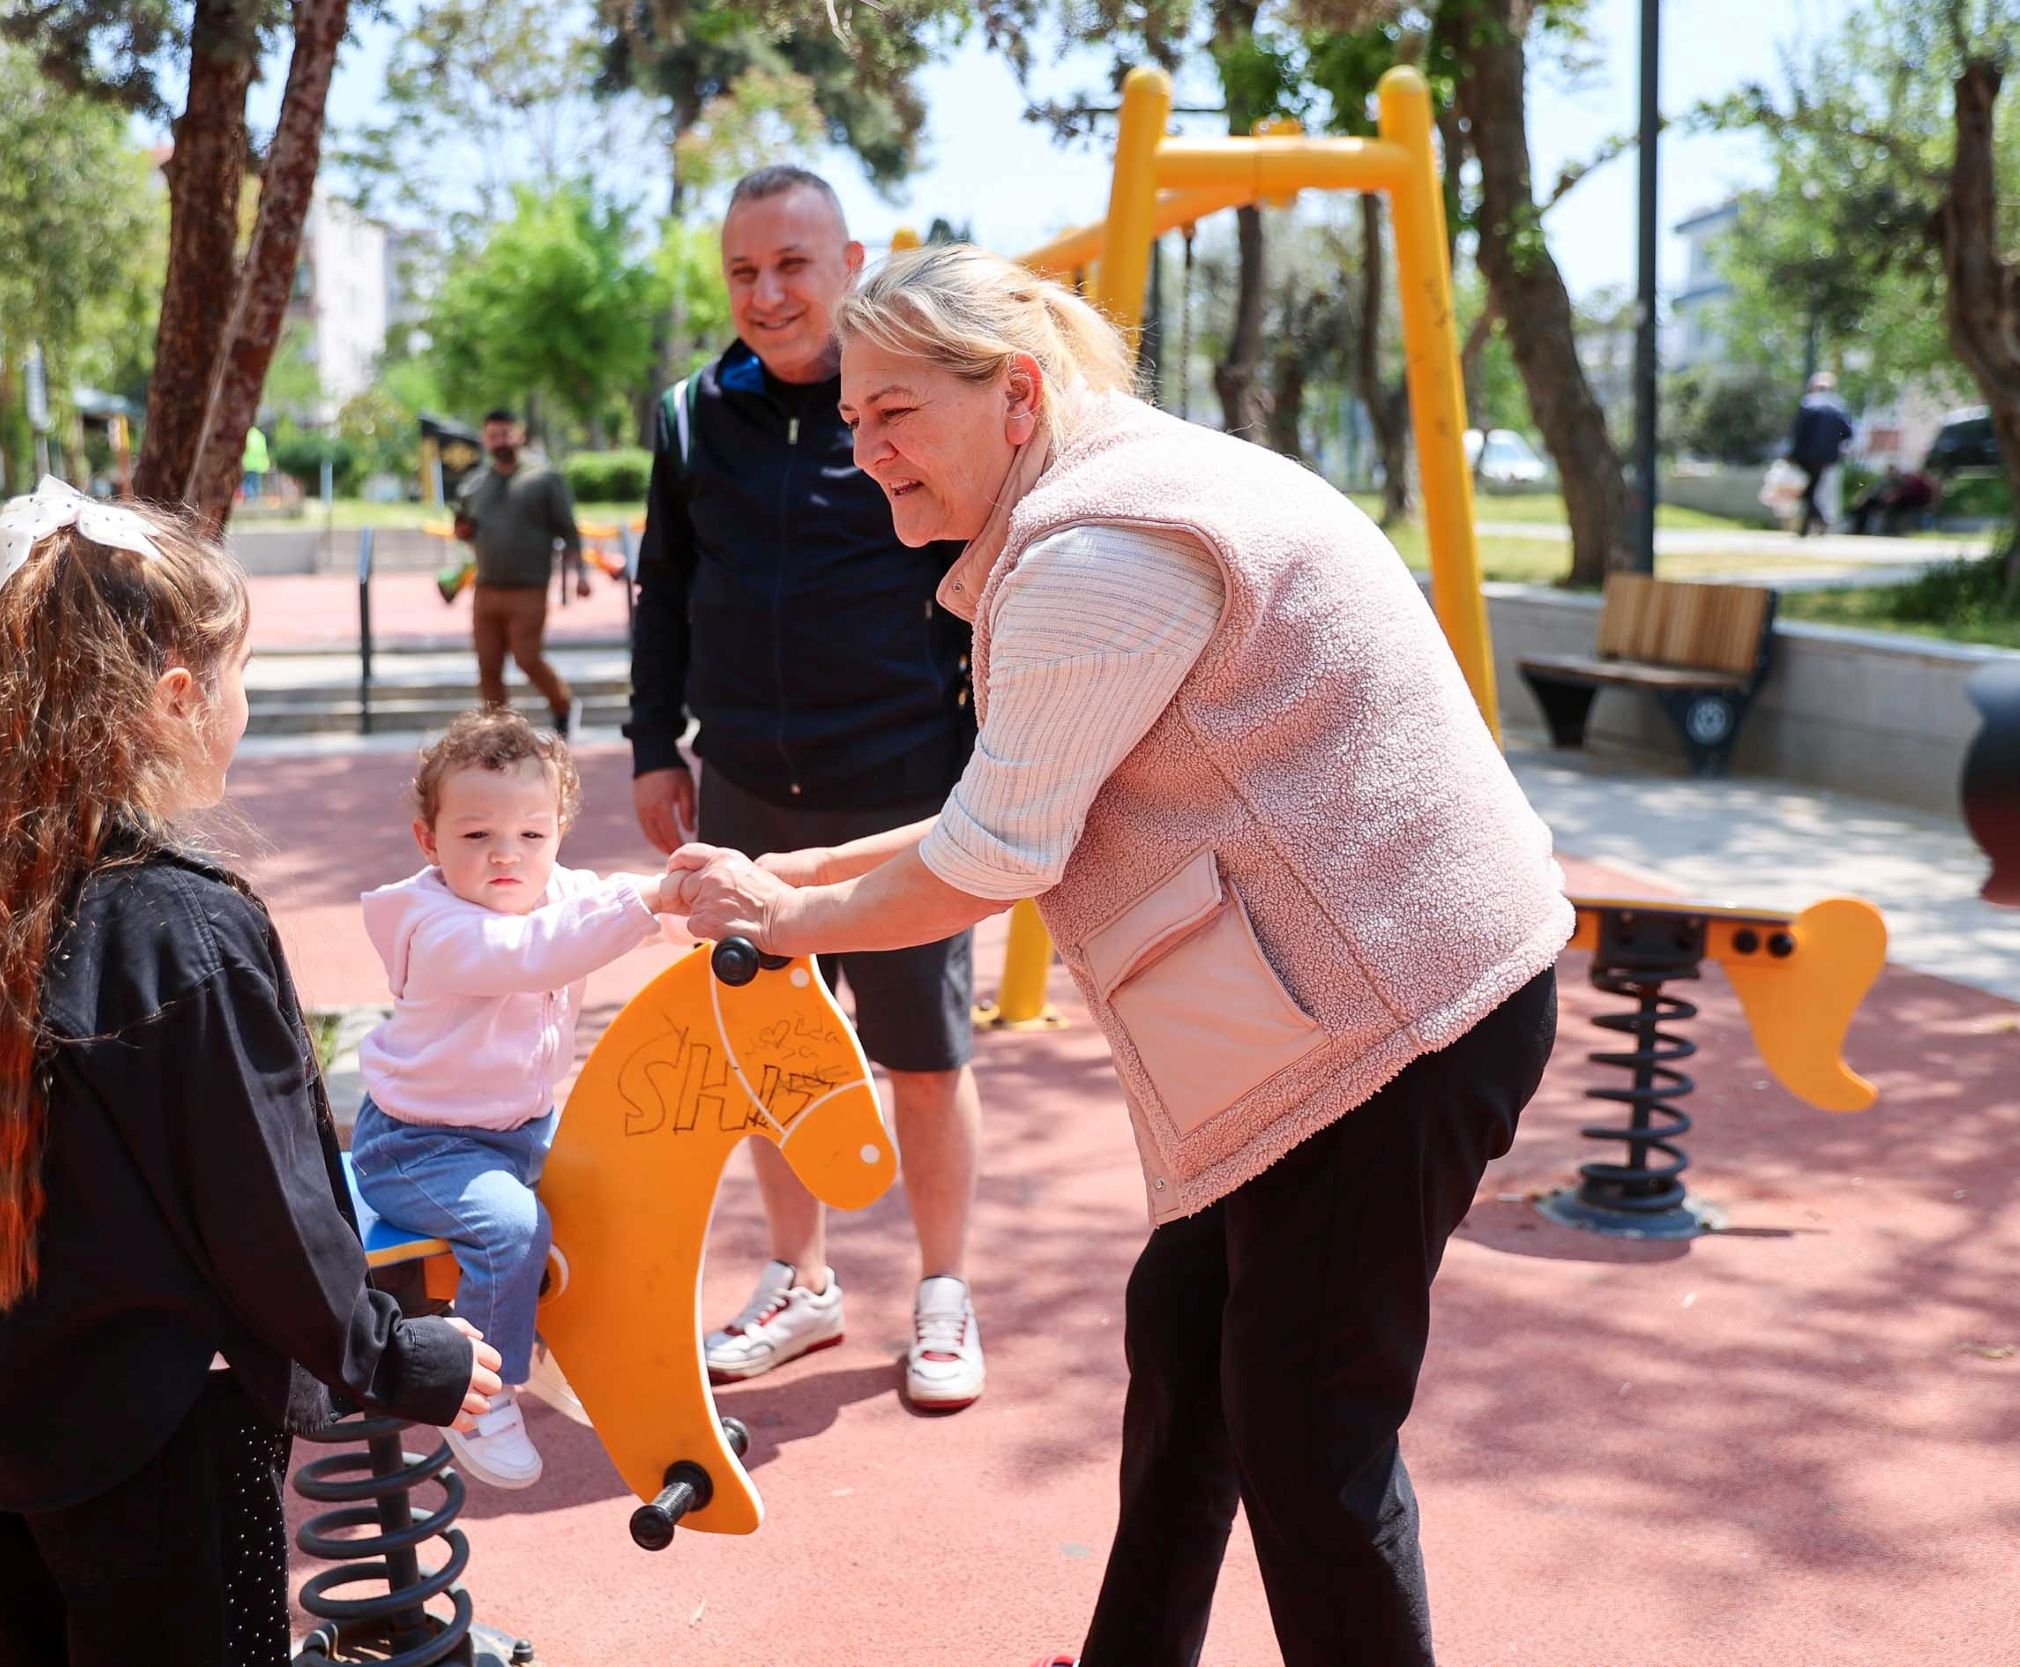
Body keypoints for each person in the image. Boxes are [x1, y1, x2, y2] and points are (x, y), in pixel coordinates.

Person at [669, 246, 1572, 1667]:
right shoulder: (1107, 501)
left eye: (895, 411)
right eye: (852, 420)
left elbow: (996, 856)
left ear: (1015, 393)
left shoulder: (1096, 554)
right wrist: (805, 866)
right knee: (1188, 1336)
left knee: (1304, 1422)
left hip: (1398, 1017)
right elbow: (1026, 797)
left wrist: (787, 922)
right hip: (1366, 991)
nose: (867, 451)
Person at [0, 478, 500, 1666]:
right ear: (175, 698)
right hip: (160, 1433)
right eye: (237, 674)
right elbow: (264, 1208)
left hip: (13, 1423)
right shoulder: (185, 929)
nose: (243, 701)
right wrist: (395, 1351)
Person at [627, 165, 990, 1412]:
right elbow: (662, 592)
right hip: (742, 791)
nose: (767, 293)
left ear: (848, 261)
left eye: (792, 264)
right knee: (772, 1057)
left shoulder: (902, 407)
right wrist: (646, 744)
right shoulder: (690, 416)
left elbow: (970, 587)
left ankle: (942, 1290)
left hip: (898, 787)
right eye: (743, 270)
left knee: (924, 1057)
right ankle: (802, 1279)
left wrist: (981, 764)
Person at [352, 709, 678, 1488]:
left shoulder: (556, 889)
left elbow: (625, 901)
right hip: (418, 1145)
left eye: (531, 835)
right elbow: (535, 954)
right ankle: (482, 1392)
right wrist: (649, 905)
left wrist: (703, 903)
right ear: (429, 841)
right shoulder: (439, 927)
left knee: (619, 1185)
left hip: (523, 1130)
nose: (507, 854)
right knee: (510, 1228)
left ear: (559, 830)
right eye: (476, 836)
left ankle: (574, 1342)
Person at [454, 409, 589, 735]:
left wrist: (581, 573)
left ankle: (563, 704)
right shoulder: (475, 485)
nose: (500, 440)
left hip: (529, 587)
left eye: (505, 433)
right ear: (485, 439)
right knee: (488, 665)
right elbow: (466, 530)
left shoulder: (543, 479)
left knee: (527, 657)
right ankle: (498, 733)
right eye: (492, 435)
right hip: (486, 588)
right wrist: (462, 530)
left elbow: (568, 530)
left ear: (519, 435)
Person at [1786, 372, 1855, 536]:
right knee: (1813, 491)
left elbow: (1799, 432)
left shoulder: (1808, 404)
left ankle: (1815, 522)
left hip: (1806, 456)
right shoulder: (1838, 407)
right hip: (1827, 458)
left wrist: (1792, 454)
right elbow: (1847, 433)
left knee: (1808, 492)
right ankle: (1809, 526)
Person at [240, 423, 270, 504]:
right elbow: (264, 451)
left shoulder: (246, 434)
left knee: (246, 483)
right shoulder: (260, 436)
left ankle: (249, 498)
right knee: (255, 483)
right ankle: (254, 500)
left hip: (246, 463)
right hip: (258, 465)